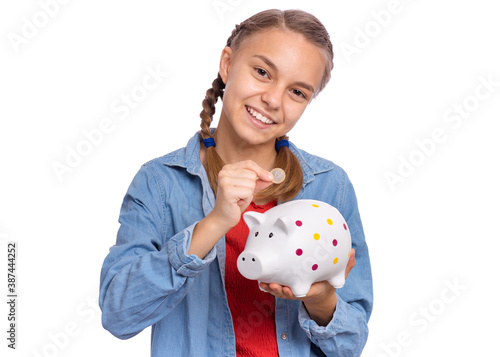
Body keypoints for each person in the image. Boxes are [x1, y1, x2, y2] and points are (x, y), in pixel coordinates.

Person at [99, 8, 373, 357]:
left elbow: (350, 344)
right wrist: (215, 222)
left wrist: (321, 298)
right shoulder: (160, 183)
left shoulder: (330, 187)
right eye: (262, 72)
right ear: (227, 64)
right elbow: (118, 315)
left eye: (298, 92)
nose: (273, 100)